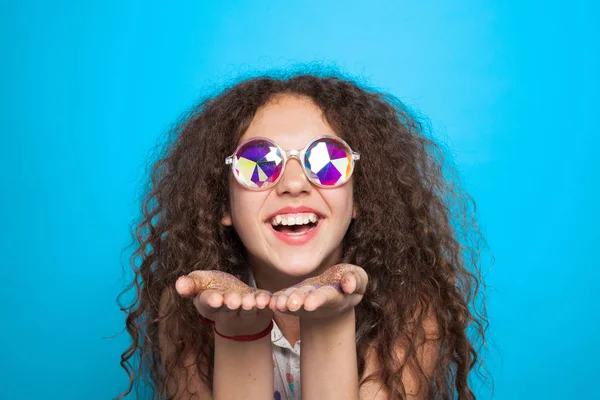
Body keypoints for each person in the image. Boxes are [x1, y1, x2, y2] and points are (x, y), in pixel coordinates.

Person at [116, 71, 491, 400]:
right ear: (223, 205)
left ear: (359, 198)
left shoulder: (407, 308)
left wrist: (330, 322)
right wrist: (238, 332)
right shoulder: (187, 310)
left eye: (327, 161)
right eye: (259, 163)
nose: (294, 184)